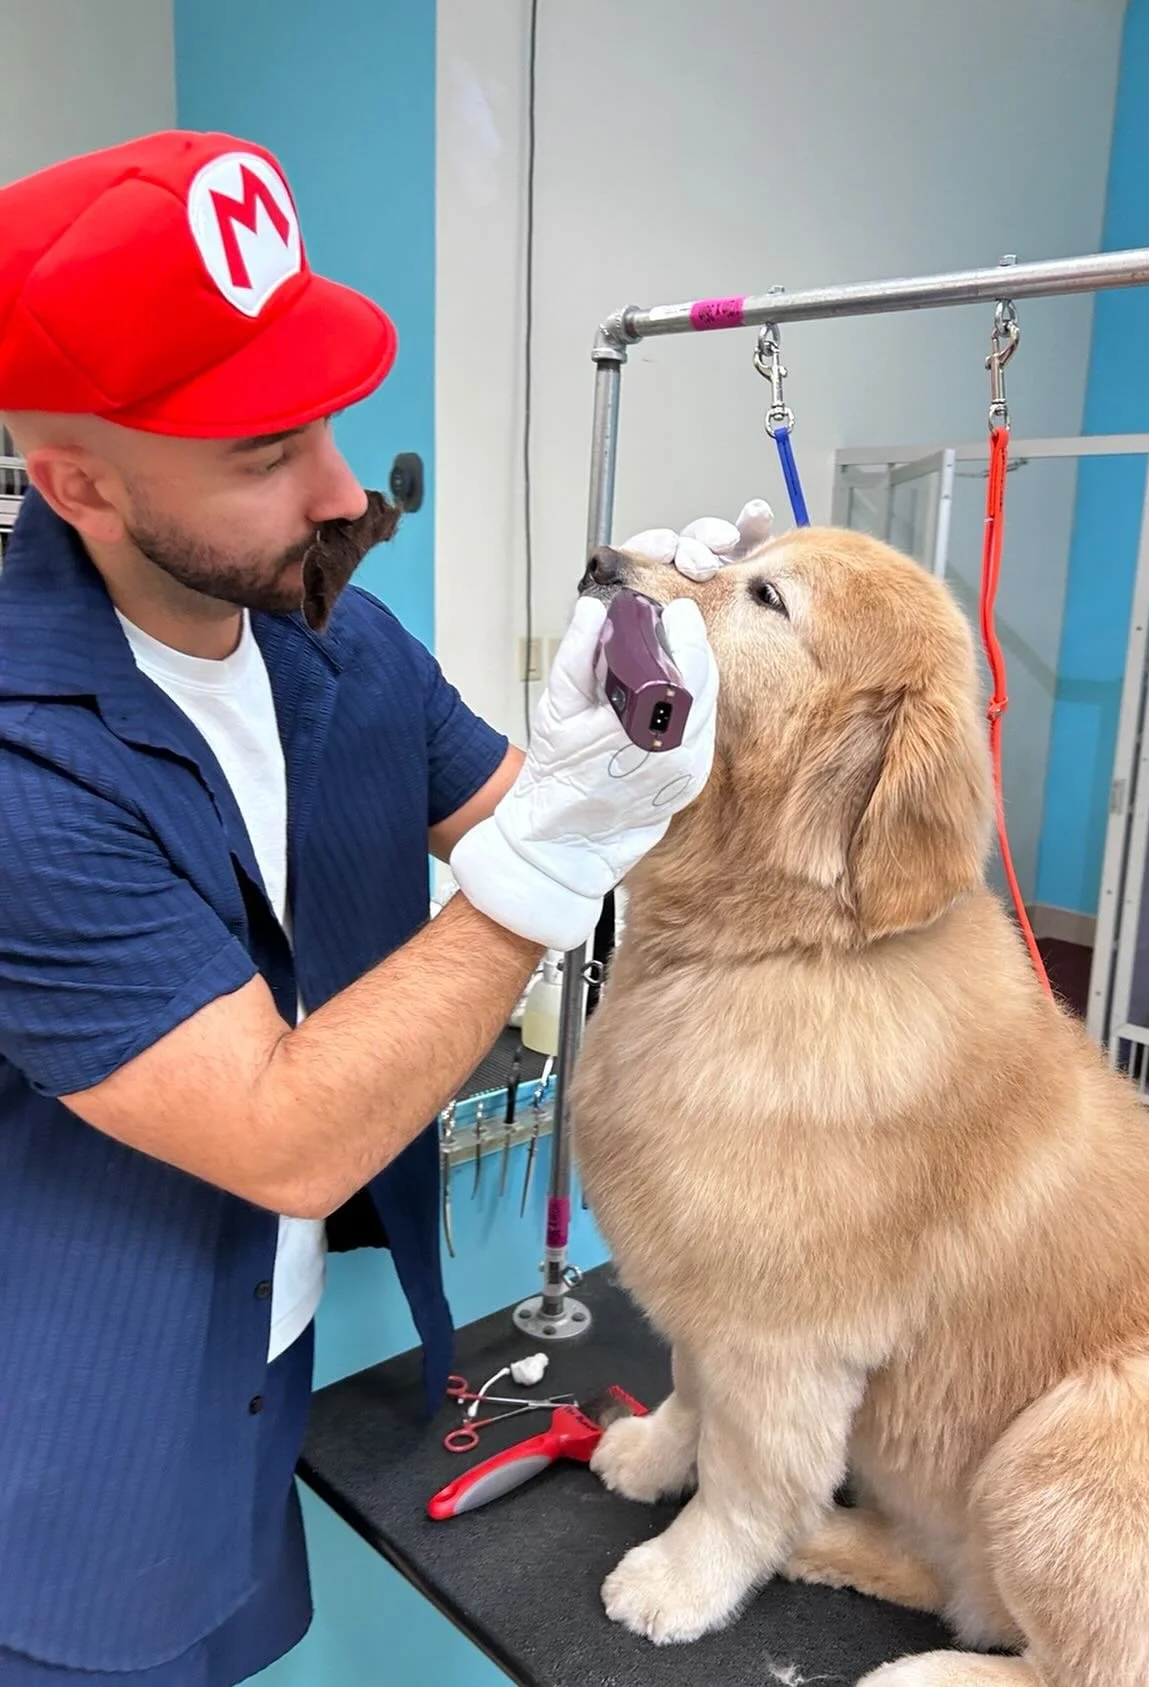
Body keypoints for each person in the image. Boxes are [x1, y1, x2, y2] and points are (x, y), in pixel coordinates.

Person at [0, 129, 768, 1685]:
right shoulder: (27, 759)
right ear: (75, 479)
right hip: (70, 1429)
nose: (345, 488)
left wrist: (693, 707)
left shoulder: (335, 643)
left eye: (329, 417)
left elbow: (576, 835)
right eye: (260, 449)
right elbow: (287, 1130)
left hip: (258, 1363)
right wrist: (548, 854)